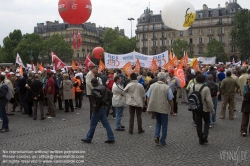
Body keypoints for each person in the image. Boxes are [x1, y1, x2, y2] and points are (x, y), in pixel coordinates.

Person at [81, 78, 115, 144]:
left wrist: (102, 103)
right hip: (102, 108)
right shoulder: (103, 87)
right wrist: (106, 102)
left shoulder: (94, 90)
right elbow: (110, 93)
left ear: (92, 83)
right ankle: (111, 138)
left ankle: (89, 138)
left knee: (93, 124)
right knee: (106, 124)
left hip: (97, 109)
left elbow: (99, 97)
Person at [146, 72, 174, 146]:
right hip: (163, 107)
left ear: (158, 78)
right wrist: (172, 109)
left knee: (158, 122)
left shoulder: (152, 86)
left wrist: (148, 107)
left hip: (155, 107)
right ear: (165, 79)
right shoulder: (167, 87)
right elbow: (171, 99)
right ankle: (162, 140)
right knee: (164, 124)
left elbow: (148, 97)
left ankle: (156, 135)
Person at [189, 74, 214, 145]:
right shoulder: (206, 88)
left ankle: (200, 139)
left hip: (196, 108)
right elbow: (209, 100)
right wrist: (212, 110)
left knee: (198, 124)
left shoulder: (192, 87)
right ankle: (205, 135)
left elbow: (190, 97)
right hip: (204, 108)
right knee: (207, 121)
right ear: (204, 80)